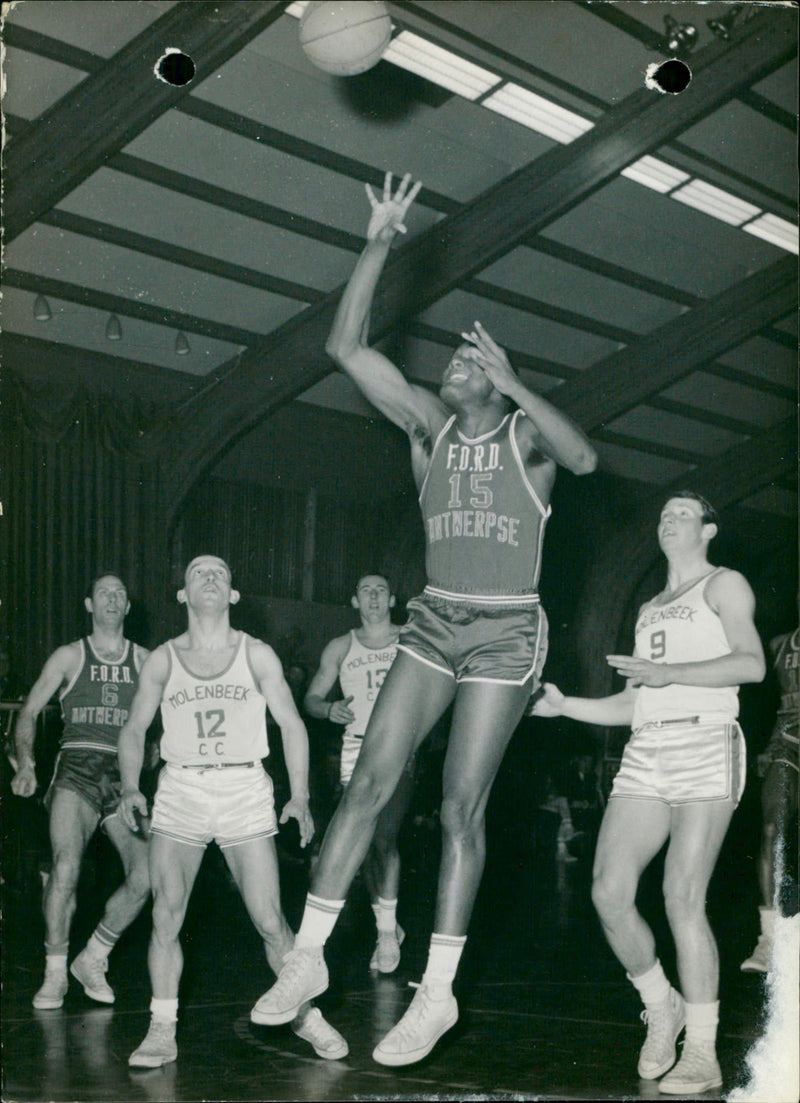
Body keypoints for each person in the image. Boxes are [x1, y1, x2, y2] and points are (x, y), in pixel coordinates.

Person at [250, 171, 597, 1066]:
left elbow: (585, 456)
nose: (456, 362)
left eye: (472, 360)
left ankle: (437, 992)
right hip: (437, 620)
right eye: (455, 359)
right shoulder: (427, 428)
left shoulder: (524, 440)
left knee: (457, 807)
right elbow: (343, 345)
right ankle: (308, 958)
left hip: (508, 628)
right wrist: (377, 243)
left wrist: (518, 380)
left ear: (500, 384)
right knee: (369, 780)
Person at [532, 492, 765, 1095]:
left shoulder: (724, 585)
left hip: (706, 741)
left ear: (708, 530)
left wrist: (671, 676)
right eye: (663, 513)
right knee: (608, 892)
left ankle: (704, 1052)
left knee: (681, 897)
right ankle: (662, 1005)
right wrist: (567, 707)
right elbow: (638, 700)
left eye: (683, 514)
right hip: (648, 748)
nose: (669, 520)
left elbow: (751, 664)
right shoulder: (648, 608)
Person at [116, 555, 347, 1068]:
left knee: (269, 919)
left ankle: (306, 1014)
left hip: (244, 788)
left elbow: (291, 723)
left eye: (221, 572)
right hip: (182, 790)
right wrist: (131, 785)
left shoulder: (256, 653)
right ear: (183, 594)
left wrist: (301, 795)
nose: (211, 578)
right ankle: (161, 1025)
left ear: (233, 594)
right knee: (165, 915)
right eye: (199, 572)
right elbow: (133, 729)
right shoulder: (162, 659)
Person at [10, 575, 151, 1010]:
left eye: (121, 593)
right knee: (66, 866)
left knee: (148, 876)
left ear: (128, 607)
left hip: (124, 776)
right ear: (89, 603)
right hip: (78, 767)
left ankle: (92, 958)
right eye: (105, 592)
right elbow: (29, 711)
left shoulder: (146, 660)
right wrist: (27, 762)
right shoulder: (70, 655)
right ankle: (54, 973)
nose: (113, 598)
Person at [303, 573, 412, 973]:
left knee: (384, 835)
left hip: (399, 746)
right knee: (364, 841)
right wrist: (328, 709)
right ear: (354, 601)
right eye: (365, 590)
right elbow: (312, 697)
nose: (373, 597)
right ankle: (389, 926)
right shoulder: (340, 646)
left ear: (392, 598)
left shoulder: (410, 638)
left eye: (381, 590)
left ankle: (385, 936)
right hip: (355, 747)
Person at [740, 624, 798, 972]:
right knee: (772, 828)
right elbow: (759, 701)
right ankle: (770, 939)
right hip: (788, 744)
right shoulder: (779, 645)